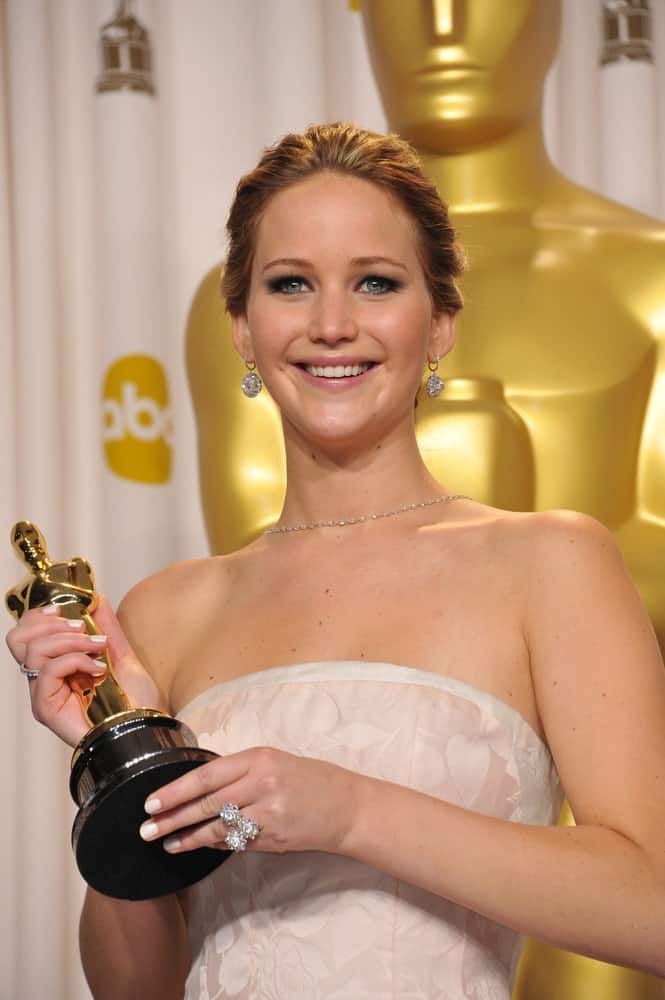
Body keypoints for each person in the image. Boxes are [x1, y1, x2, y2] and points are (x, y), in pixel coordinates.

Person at [6, 123, 665, 1000]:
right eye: (289, 285)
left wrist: (352, 812)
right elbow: (139, 989)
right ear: (242, 330)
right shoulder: (169, 609)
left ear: (439, 325)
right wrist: (113, 757)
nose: (330, 325)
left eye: (375, 283)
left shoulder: (548, 561)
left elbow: (649, 907)